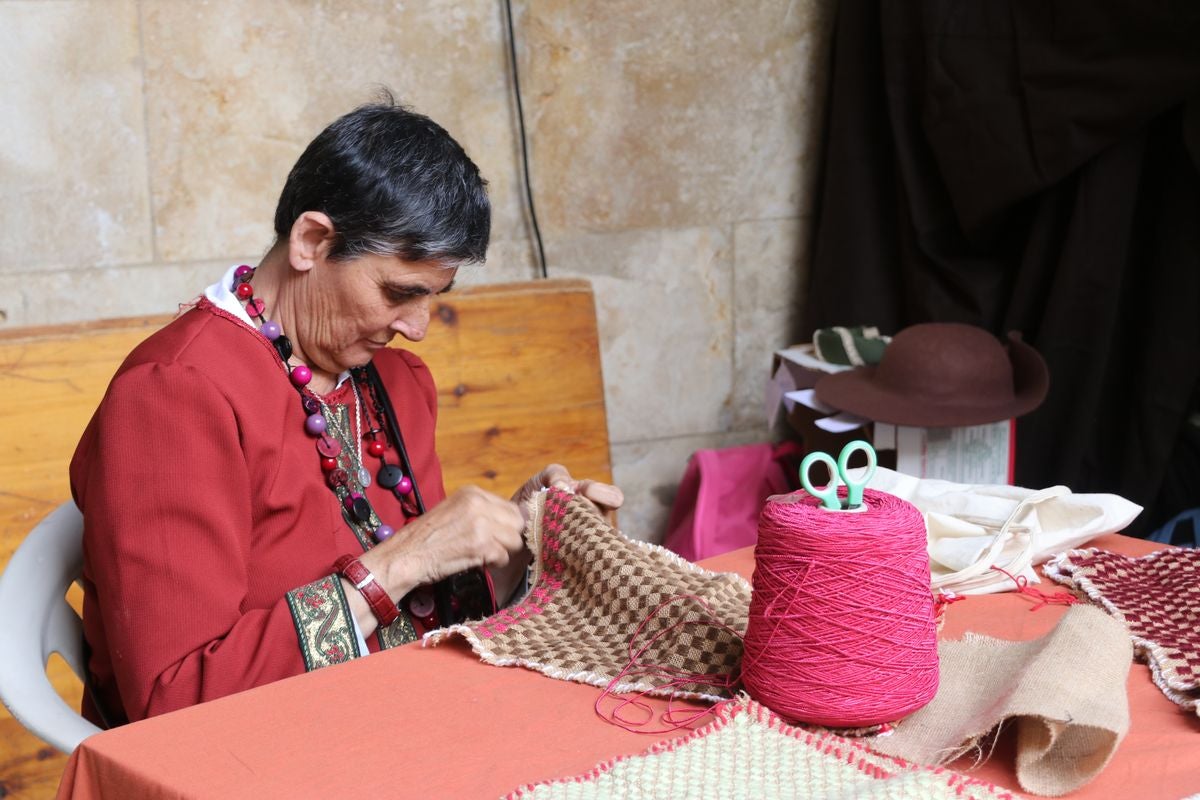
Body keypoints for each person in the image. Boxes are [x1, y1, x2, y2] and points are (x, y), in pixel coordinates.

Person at [69, 96, 623, 727]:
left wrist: (524, 542)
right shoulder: (175, 395)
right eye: (398, 293)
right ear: (311, 241)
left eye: (434, 299)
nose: (418, 328)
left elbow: (426, 626)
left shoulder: (396, 381)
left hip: (393, 730)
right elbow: (173, 704)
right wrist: (401, 561)